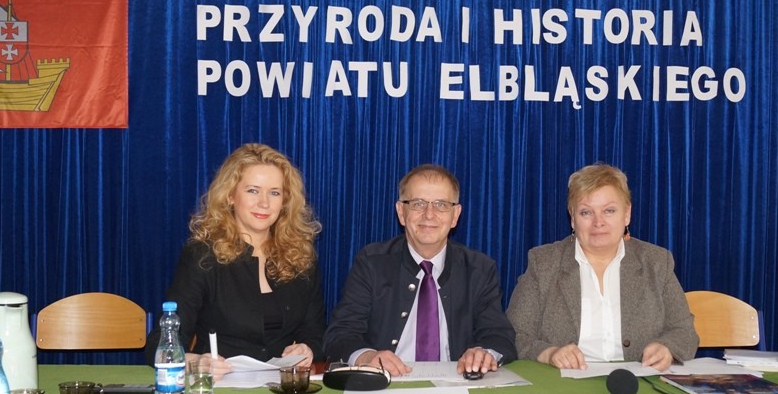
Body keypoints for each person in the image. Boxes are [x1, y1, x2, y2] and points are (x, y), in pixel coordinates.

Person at [145, 144, 325, 378]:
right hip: (221, 387)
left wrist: (307, 348)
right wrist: (196, 363)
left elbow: (316, 332)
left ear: (285, 202)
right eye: (253, 191)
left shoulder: (300, 256)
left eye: (274, 193)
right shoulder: (202, 256)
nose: (264, 203)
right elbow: (160, 345)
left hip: (283, 388)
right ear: (230, 196)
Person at [323, 164, 517, 377]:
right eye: (418, 204)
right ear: (401, 212)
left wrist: (483, 353)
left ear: (455, 215)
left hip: (457, 384)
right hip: (387, 384)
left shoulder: (479, 269)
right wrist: (366, 356)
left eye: (441, 205)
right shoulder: (371, 264)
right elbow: (340, 334)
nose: (429, 215)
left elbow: (499, 336)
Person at [507, 163, 698, 372]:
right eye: (586, 212)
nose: (598, 222)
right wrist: (549, 353)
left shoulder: (656, 262)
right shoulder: (544, 263)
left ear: (627, 214)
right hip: (562, 383)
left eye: (609, 211)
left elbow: (685, 332)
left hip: (637, 382)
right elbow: (514, 334)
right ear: (572, 218)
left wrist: (666, 347)